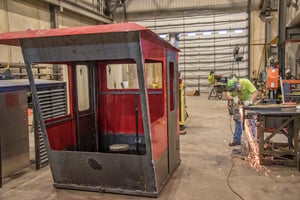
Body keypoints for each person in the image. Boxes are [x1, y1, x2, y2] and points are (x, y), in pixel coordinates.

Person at [227, 77, 258, 146]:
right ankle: (237, 140)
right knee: (238, 121)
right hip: (238, 105)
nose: (236, 91)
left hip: (249, 105)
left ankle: (252, 141)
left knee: (250, 122)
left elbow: (255, 92)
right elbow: (228, 96)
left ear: (238, 84)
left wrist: (251, 101)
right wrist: (233, 98)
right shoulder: (231, 86)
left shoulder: (246, 82)